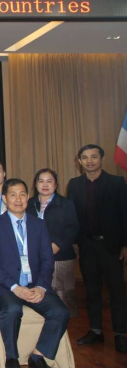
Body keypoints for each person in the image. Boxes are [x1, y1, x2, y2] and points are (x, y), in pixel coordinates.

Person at [0, 179, 70, 368]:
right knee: (13, 309)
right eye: (13, 195)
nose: (18, 199)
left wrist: (41, 287)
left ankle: (38, 356)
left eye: (22, 194)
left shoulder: (39, 225)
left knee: (60, 312)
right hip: (5, 286)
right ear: (4, 199)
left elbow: (47, 260)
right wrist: (14, 287)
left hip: (34, 284)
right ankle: (12, 358)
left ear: (28, 197)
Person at [67, 144, 127, 352]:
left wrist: (125, 244)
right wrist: (75, 243)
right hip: (87, 246)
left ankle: (120, 334)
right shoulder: (74, 184)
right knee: (92, 290)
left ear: (102, 159)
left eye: (94, 157)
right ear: (79, 161)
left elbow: (125, 214)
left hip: (111, 246)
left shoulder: (117, 182)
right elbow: (72, 218)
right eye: (85, 157)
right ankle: (96, 331)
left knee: (117, 291)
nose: (89, 161)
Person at [28, 169, 80, 317]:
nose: (45, 185)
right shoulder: (29, 204)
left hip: (60, 255)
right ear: (36, 184)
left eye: (49, 181)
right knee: (39, 294)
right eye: (41, 181)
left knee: (63, 297)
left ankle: (66, 328)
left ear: (55, 185)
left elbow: (73, 227)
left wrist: (57, 244)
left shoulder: (66, 204)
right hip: (35, 257)